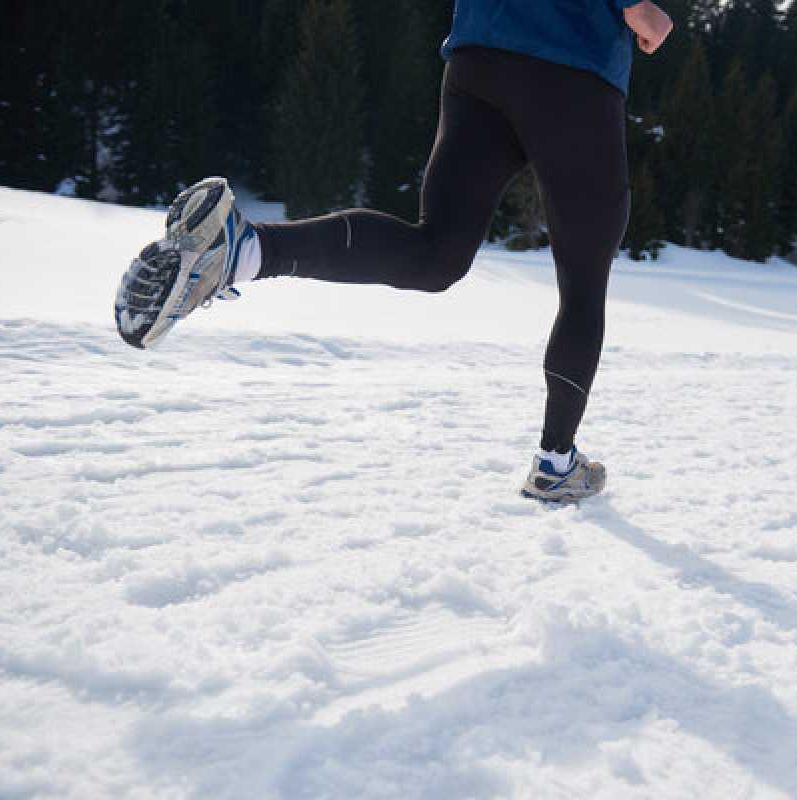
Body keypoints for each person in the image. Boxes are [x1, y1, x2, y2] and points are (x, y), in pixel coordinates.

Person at [114, 0, 674, 502]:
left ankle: (244, 252)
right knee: (583, 282)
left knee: (435, 255)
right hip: (570, 66)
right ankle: (557, 463)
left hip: (480, 57)